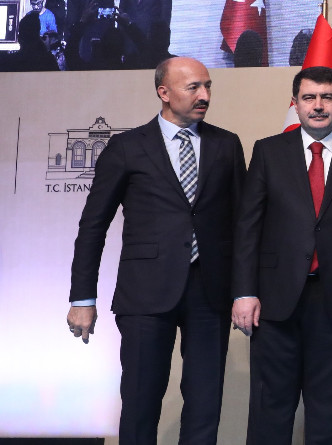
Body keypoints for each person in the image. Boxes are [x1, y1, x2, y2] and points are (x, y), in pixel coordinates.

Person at [66, 56, 244, 444]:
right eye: (193, 87)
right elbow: (93, 225)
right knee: (141, 403)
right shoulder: (127, 148)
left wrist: (245, 289)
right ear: (163, 92)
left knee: (204, 405)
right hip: (145, 293)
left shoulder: (227, 145)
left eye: (208, 86)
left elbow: (241, 226)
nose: (204, 95)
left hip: (210, 292)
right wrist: (82, 296)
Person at [231, 66, 332, 445]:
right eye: (309, 98)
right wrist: (243, 291)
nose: (318, 106)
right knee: (271, 409)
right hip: (274, 301)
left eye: (327, 97)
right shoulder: (268, 151)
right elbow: (248, 228)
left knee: (327, 412)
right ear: (295, 103)